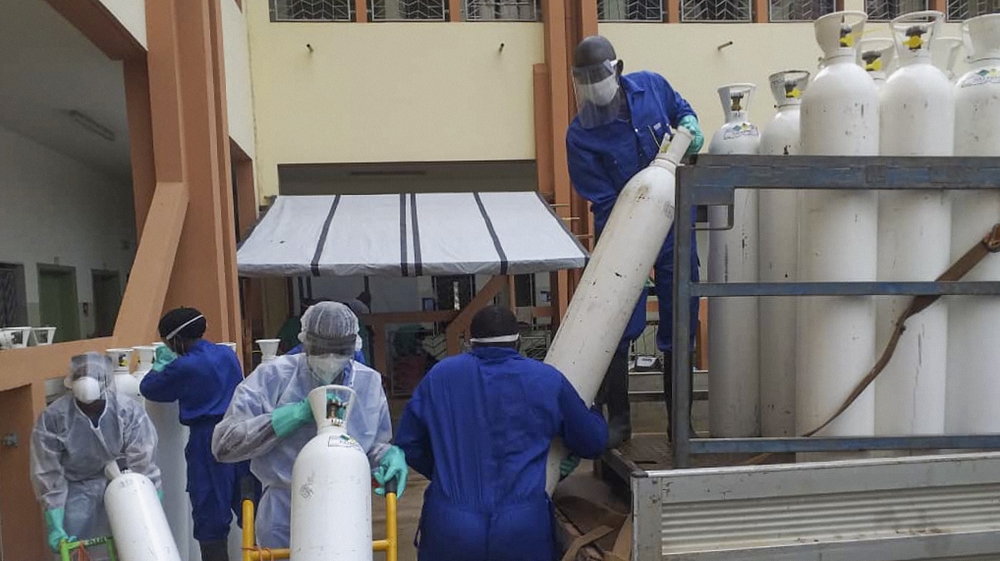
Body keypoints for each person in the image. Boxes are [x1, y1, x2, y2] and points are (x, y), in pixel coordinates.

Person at [565, 35, 703, 444]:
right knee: (618, 323)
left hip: (675, 228)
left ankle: (681, 422)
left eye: (598, 75)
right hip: (623, 232)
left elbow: (682, 110)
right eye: (583, 79)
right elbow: (604, 201)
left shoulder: (653, 87)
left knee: (681, 319)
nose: (592, 85)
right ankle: (619, 421)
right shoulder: (580, 136)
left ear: (618, 68)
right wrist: (626, 252)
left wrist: (691, 126)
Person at [395, 305, 608, 561]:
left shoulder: (440, 376)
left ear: (470, 342)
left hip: (451, 526)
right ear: (518, 342)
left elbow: (409, 443)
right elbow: (593, 442)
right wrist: (594, 410)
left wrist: (446, 475)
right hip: (522, 528)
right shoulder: (546, 380)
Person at [211, 301, 407, 548]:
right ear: (304, 342)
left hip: (346, 510)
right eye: (321, 350)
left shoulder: (367, 384)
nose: (330, 359)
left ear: (354, 346)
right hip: (285, 510)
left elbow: (371, 444)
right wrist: (288, 417)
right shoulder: (273, 377)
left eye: (339, 351)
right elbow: (224, 444)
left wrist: (388, 455)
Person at [140, 307, 251, 561]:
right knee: (249, 504)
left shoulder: (184, 366)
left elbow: (149, 389)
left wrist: (160, 365)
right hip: (241, 432)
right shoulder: (226, 354)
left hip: (207, 440)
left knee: (210, 511)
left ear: (175, 339)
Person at [30, 353, 161, 553]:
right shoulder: (54, 418)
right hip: (75, 496)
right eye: (81, 374)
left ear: (106, 381)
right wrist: (55, 524)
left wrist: (149, 500)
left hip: (121, 488)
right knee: (80, 552)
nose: (86, 379)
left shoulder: (126, 411)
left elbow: (143, 462)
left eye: (93, 375)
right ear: (71, 381)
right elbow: (48, 472)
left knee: (129, 548)